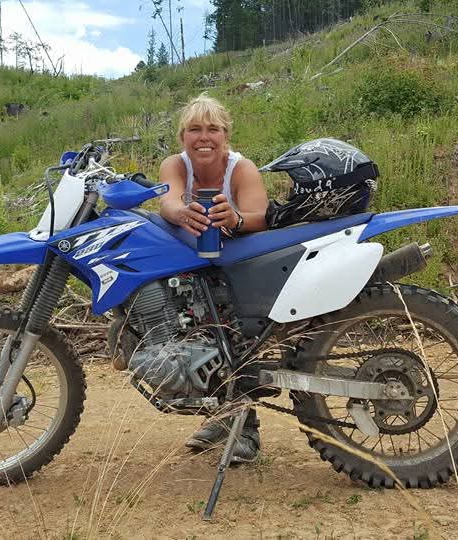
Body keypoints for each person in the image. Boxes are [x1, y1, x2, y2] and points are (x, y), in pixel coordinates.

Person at [158, 94, 269, 463]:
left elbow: (260, 216)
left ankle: (246, 430)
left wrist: (234, 219)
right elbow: (168, 199)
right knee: (201, 338)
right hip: (196, 268)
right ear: (182, 137)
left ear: (226, 135)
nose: (203, 137)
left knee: (236, 338)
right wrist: (181, 213)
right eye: (194, 129)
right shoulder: (175, 164)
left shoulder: (241, 169)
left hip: (240, 266)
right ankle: (221, 419)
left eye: (213, 129)